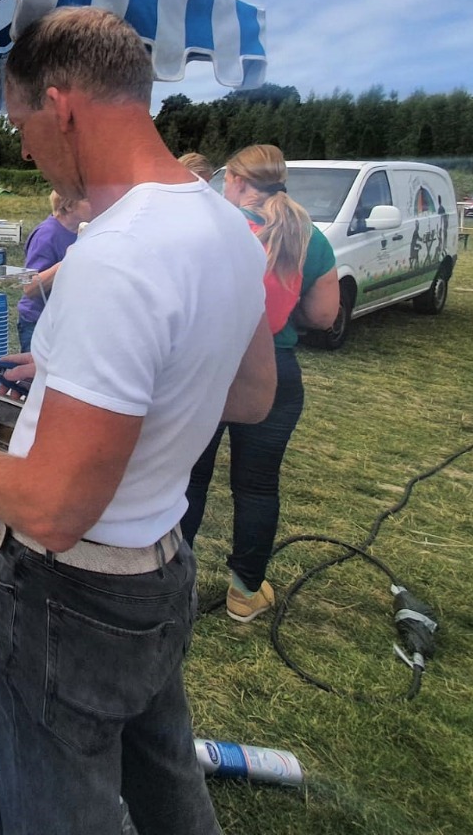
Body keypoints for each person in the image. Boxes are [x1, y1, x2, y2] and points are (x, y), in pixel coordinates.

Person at [0, 7, 275, 835]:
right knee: (164, 783)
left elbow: (54, 506)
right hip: (161, 567)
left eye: (20, 124)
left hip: (71, 593)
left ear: (61, 103)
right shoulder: (226, 227)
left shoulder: (114, 255)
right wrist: (99, 383)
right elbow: (251, 393)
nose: (23, 147)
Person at [181, 144, 339, 622]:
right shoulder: (308, 233)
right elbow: (325, 314)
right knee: (257, 487)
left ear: (234, 179)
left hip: (209, 368)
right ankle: (245, 592)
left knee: (188, 480)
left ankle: (175, 582)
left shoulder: (213, 227)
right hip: (275, 368)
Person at [17, 191, 91, 351]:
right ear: (69, 206)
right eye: (88, 200)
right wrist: (68, 261)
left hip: (64, 322)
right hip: (38, 324)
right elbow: (29, 286)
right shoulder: (46, 234)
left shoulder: (81, 232)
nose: (95, 203)